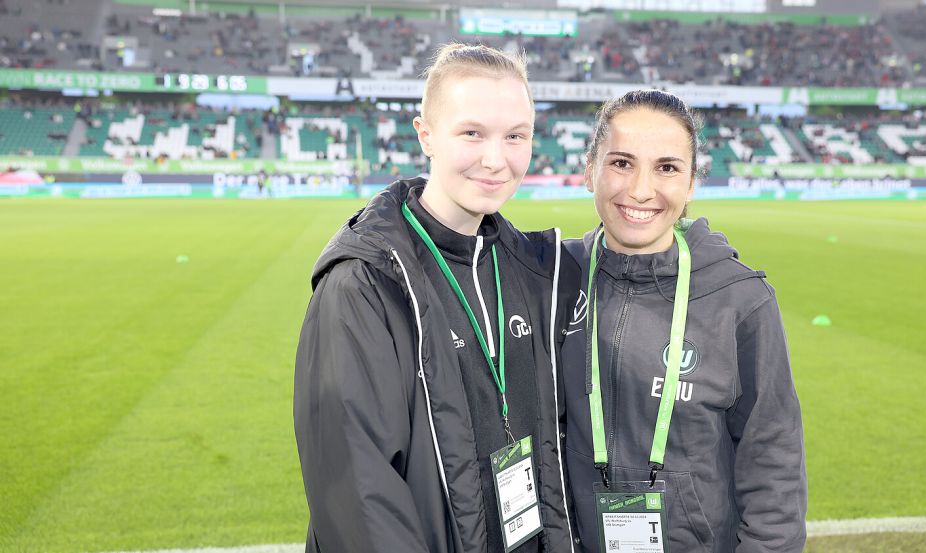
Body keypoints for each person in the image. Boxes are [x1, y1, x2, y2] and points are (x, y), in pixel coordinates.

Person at [294, 43, 578, 553]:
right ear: (425, 133)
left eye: (516, 136)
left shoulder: (528, 268)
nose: (496, 159)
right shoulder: (364, 283)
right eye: (472, 133)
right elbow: (360, 497)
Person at [560, 90, 807, 552]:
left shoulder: (741, 300)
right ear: (590, 168)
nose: (640, 189)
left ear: (692, 182)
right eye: (621, 163)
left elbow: (773, 460)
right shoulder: (552, 277)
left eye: (667, 168)